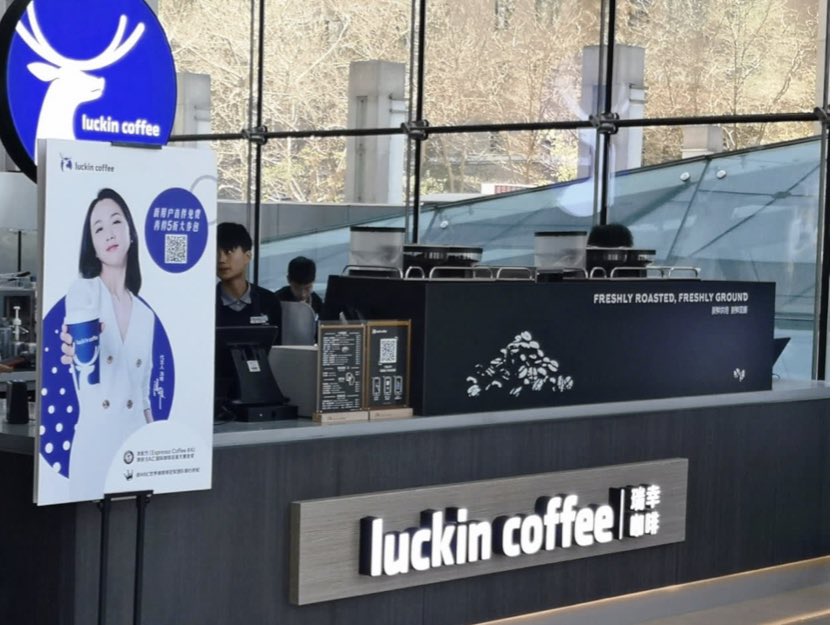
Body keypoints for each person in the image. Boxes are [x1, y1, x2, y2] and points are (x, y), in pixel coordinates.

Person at [59, 188, 155, 499]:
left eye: (116, 222)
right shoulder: (84, 292)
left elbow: (143, 396)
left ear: (131, 232)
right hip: (95, 442)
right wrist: (74, 348)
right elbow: (80, 349)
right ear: (93, 247)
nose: (109, 234)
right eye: (98, 229)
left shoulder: (146, 315)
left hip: (135, 441)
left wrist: (154, 445)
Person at [216, 222, 282, 336]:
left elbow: (278, 344)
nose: (221, 259)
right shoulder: (205, 303)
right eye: (216, 253)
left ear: (247, 256)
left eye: (228, 252)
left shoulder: (268, 301)